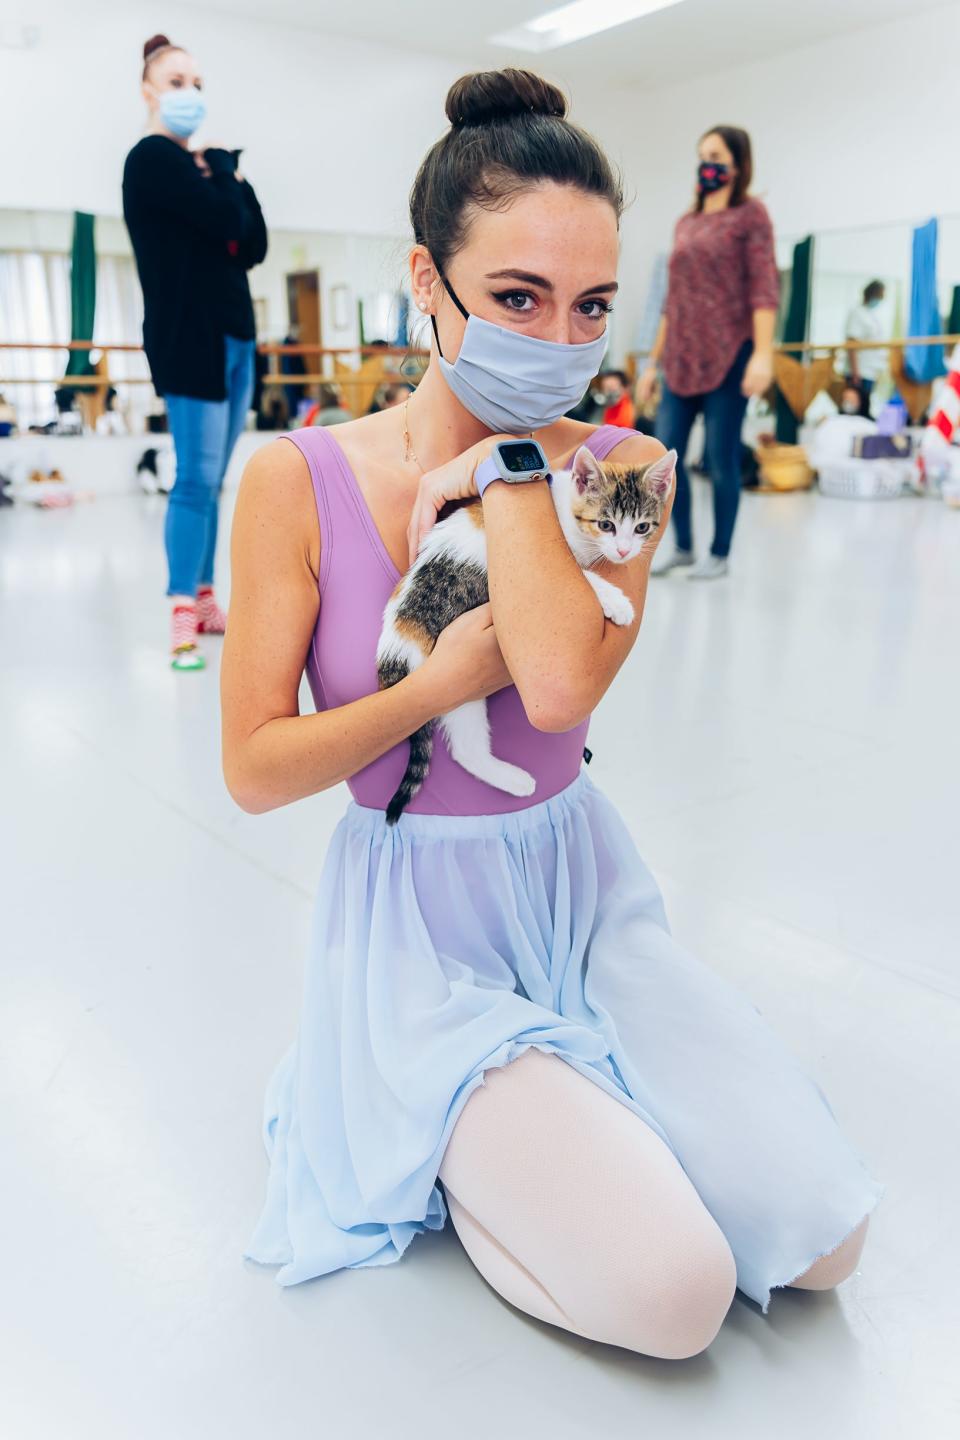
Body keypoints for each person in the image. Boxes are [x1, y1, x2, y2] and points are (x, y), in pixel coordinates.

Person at [227, 69, 881, 1359]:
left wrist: (508, 466)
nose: (558, 336)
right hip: (421, 928)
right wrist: (433, 690)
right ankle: (461, 1156)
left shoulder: (628, 469)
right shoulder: (295, 482)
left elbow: (566, 685)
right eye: (517, 298)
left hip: (581, 893)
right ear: (430, 284)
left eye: (590, 306)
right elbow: (253, 766)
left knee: (826, 1241)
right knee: (676, 1296)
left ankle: (574, 1106)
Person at [122, 34, 267, 671]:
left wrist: (228, 182)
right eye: (177, 81)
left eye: (197, 84)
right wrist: (226, 178)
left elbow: (253, 241)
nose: (189, 94)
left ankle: (207, 597)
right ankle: (181, 602)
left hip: (236, 334)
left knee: (213, 480)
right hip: (190, 342)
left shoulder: (205, 168)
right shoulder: (153, 159)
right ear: (149, 89)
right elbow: (227, 225)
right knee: (193, 480)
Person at [637, 125, 779, 580]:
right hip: (679, 354)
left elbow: (764, 288)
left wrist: (763, 354)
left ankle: (719, 553)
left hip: (729, 354)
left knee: (720, 459)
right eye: (702, 155)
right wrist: (650, 364)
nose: (707, 164)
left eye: (715, 155)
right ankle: (681, 546)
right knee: (665, 459)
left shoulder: (750, 216)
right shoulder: (687, 221)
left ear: (737, 164)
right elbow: (670, 301)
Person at [845, 280, 887, 407]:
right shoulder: (857, 313)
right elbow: (851, 344)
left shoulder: (870, 315)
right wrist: (855, 373)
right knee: (857, 409)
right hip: (860, 372)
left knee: (865, 406)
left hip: (870, 371)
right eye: (880, 295)